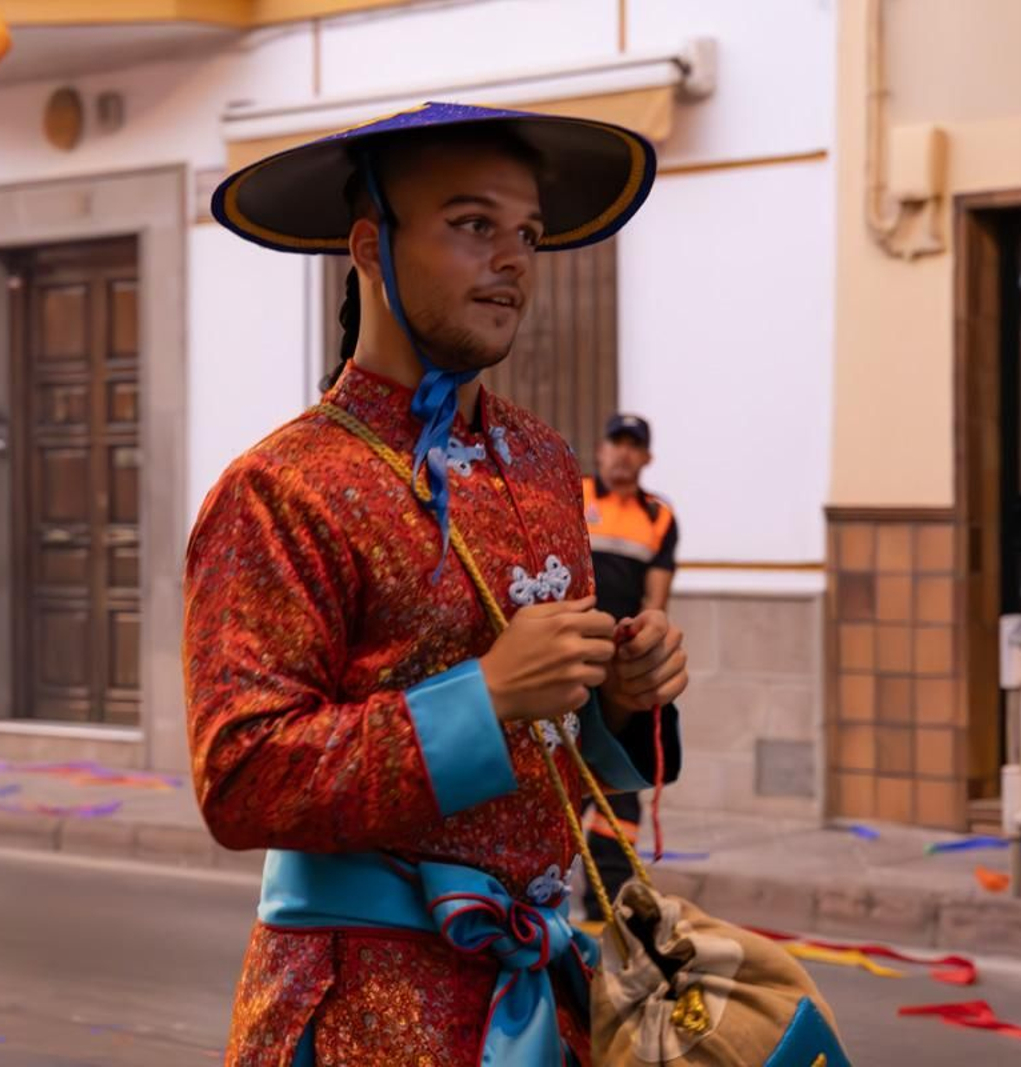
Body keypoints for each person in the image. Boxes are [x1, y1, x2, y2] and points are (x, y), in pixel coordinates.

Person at [186, 103, 689, 1065]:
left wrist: (618, 700)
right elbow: (241, 780)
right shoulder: (278, 489)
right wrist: (488, 694)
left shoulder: (540, 459)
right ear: (372, 247)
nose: (513, 260)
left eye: (529, 234)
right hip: (358, 1011)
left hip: (542, 1000)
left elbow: (554, 738)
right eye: (473, 225)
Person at [580, 412, 678, 918]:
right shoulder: (574, 496)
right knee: (561, 784)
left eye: (632, 446)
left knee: (620, 799)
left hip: (619, 674)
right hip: (571, 662)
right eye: (614, 443)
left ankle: (608, 914)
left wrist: (645, 655)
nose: (621, 454)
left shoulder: (658, 517)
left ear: (646, 458)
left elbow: (655, 605)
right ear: (600, 451)